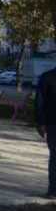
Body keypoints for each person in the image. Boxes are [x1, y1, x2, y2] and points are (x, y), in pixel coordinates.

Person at [36, 66, 56, 199]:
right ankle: (53, 190)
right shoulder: (47, 77)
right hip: (53, 124)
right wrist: (41, 123)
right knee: (55, 157)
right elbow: (39, 102)